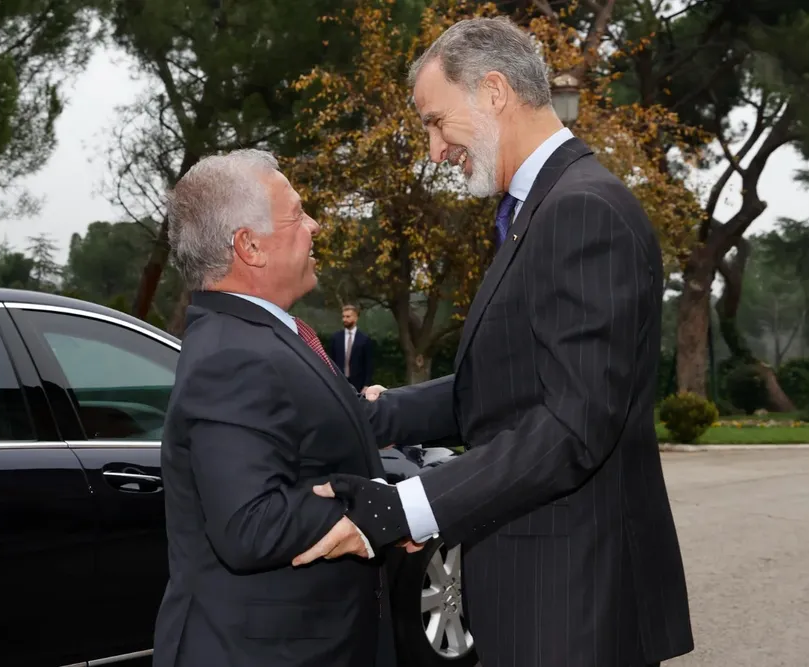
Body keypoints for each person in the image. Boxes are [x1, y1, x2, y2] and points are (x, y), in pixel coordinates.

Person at [294, 17, 694, 667]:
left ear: (495, 92)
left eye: (434, 121)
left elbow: (573, 424)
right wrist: (373, 414)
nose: (433, 150)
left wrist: (402, 506)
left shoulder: (581, 209)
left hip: (572, 605)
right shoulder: (538, 207)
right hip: (540, 592)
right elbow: (513, 382)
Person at [152, 149, 456, 667]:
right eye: (297, 213)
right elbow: (250, 524)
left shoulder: (260, 336)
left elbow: (349, 424)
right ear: (249, 246)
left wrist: (485, 390)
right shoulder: (232, 355)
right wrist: (383, 509)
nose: (314, 225)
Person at [328, 305, 374, 392]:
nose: (344, 319)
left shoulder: (364, 339)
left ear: (356, 318)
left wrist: (367, 385)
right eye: (343, 316)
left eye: (348, 316)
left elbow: (369, 364)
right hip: (339, 382)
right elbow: (331, 361)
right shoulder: (336, 338)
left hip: (358, 384)